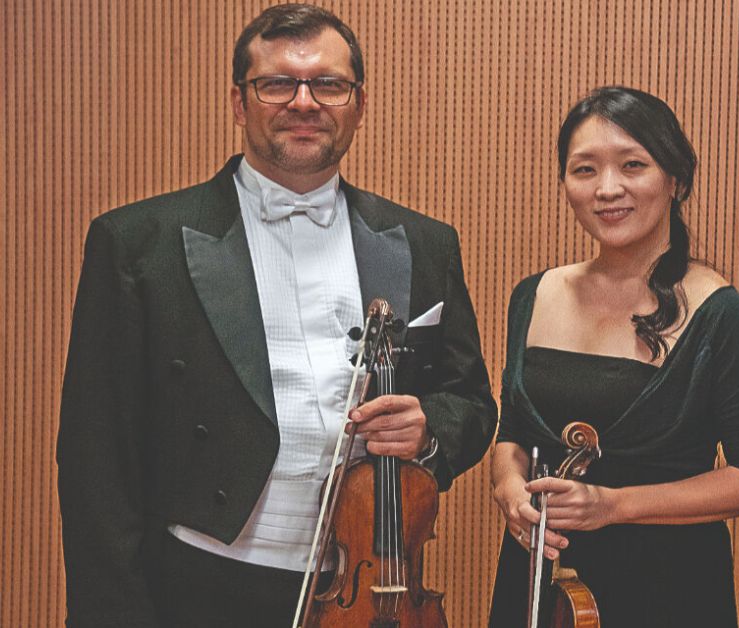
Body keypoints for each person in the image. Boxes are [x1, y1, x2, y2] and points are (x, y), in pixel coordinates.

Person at [56, 5, 496, 627]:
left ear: (359, 105)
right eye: (277, 84)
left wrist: (429, 429)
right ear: (240, 103)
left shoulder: (425, 243)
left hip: (368, 587)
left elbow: (470, 402)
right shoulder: (137, 243)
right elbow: (95, 457)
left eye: (329, 84)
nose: (304, 102)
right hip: (200, 583)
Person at [487, 86, 739, 626]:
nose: (608, 189)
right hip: (538, 583)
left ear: (675, 179)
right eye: (585, 170)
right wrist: (509, 488)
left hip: (666, 589)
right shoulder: (534, 295)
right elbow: (513, 431)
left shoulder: (719, 312)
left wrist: (612, 505)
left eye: (632, 165)